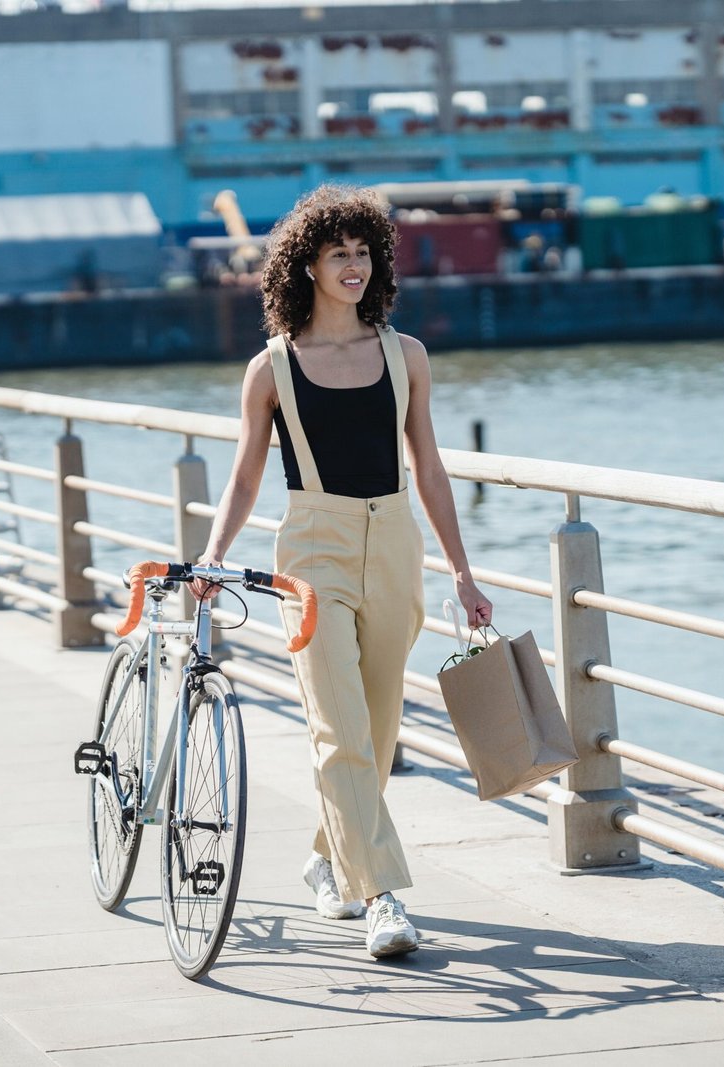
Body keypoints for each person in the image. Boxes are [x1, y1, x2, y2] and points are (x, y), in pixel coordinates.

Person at [194, 185, 492, 958]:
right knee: (338, 729)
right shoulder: (271, 369)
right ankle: (381, 895)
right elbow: (245, 477)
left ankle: (326, 859)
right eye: (338, 254)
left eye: (363, 252)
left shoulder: (406, 356)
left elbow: (429, 468)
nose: (353, 266)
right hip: (313, 550)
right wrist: (215, 553)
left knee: (379, 729)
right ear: (308, 265)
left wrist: (462, 569)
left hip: (395, 543)